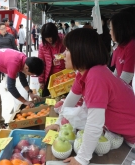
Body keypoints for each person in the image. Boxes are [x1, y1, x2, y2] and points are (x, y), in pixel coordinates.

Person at [45, 28, 135, 165]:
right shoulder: (86, 73)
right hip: (124, 137)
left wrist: (81, 158)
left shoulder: (96, 76)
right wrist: (59, 122)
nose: (63, 54)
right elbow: (70, 100)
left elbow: (95, 123)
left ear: (79, 52)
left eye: (67, 50)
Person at [0, 49, 44, 135]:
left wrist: (30, 93)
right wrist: (25, 101)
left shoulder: (24, 60)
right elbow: (11, 87)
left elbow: (22, 78)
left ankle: (1, 123)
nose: (29, 76)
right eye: (30, 74)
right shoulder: (14, 64)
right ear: (27, 68)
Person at [38, 23, 65, 97]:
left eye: (51, 37)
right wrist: (41, 81)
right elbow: (41, 64)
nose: (49, 39)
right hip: (51, 79)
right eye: (46, 37)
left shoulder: (64, 41)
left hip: (65, 77)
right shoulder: (42, 46)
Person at [110, 12, 135, 85]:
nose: (110, 32)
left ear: (119, 29)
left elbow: (126, 77)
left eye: (111, 29)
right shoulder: (120, 46)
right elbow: (116, 72)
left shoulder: (132, 45)